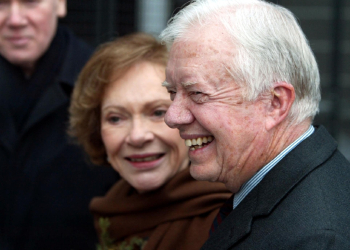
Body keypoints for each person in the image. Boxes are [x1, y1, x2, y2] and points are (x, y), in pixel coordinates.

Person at [159, 0, 350, 249]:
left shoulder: (317, 238)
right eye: (172, 93)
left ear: (275, 103)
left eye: (197, 93)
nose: (172, 117)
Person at [68, 32, 231, 250]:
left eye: (157, 113)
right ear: (96, 130)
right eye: (116, 118)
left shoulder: (227, 219)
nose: (137, 136)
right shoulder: (111, 214)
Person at [0, 0, 118, 249]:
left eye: (30, 2)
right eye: (1, 4)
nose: (15, 19)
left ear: (60, 4)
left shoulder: (106, 84)